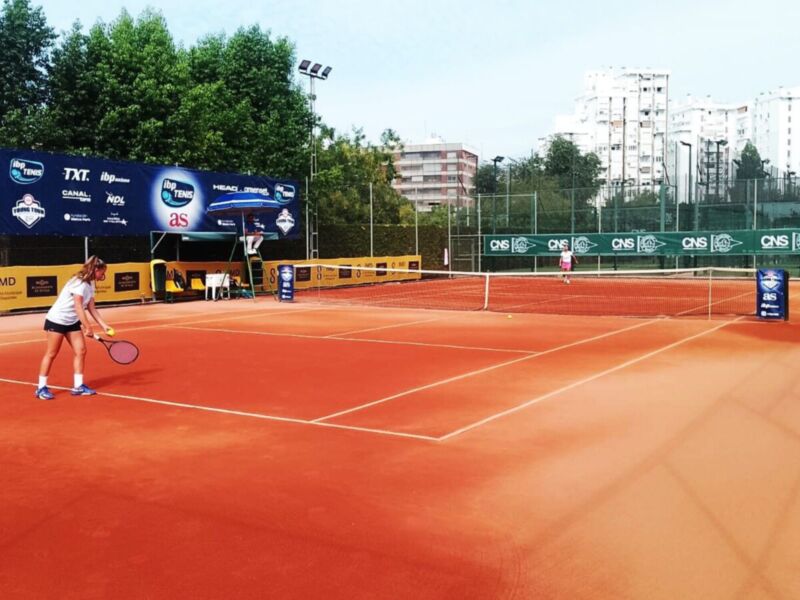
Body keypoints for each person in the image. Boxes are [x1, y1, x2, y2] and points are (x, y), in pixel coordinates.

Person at [34, 256, 114, 400]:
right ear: (95, 270)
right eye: (102, 272)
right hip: (57, 320)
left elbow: (91, 308)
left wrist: (104, 325)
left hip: (72, 322)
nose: (103, 275)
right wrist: (87, 327)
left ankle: (78, 386)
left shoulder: (91, 285)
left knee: (81, 351)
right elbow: (78, 306)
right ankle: (41, 388)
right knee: (52, 353)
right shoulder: (79, 283)